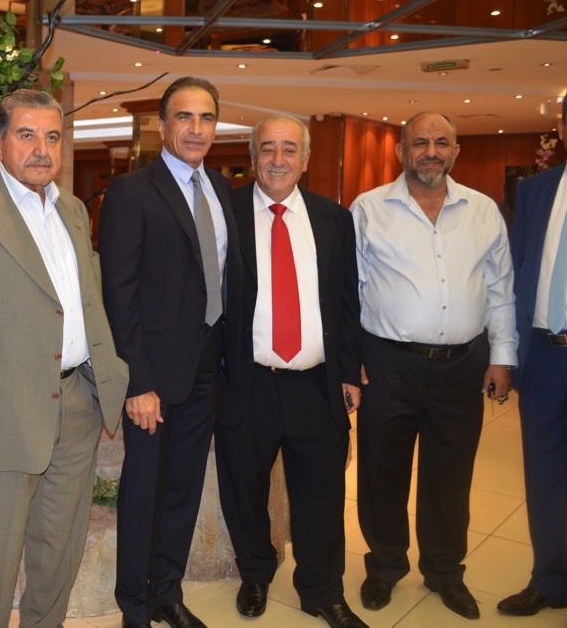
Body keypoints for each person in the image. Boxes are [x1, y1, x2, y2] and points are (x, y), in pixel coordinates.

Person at [0, 88, 128, 628]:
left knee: (58, 554)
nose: (42, 149)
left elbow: (83, 302)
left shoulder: (73, 210)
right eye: (27, 135)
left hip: (77, 405)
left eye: (52, 137)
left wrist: (108, 379)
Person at [352, 112, 517, 620]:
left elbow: (500, 290)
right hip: (388, 364)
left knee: (451, 474)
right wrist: (352, 361)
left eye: (441, 142)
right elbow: (349, 289)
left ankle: (445, 571)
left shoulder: (483, 211)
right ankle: (384, 566)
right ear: (401, 151)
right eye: (419, 142)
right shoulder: (368, 209)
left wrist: (502, 357)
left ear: (455, 150)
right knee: (382, 471)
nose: (430, 151)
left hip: (462, 367)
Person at [99, 76, 241, 628]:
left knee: (184, 487)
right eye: (184, 116)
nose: (196, 128)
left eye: (206, 118)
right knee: (145, 490)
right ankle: (134, 603)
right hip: (154, 374)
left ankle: (167, 592)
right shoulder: (132, 191)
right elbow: (119, 292)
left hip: (208, 365)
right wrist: (138, 381)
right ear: (162, 126)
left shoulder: (221, 188)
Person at [215, 115, 366, 628]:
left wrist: (349, 372)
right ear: (252, 156)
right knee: (243, 487)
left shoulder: (333, 218)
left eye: (288, 149)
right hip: (247, 381)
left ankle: (322, 591)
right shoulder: (226, 213)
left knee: (322, 493)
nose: (277, 160)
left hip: (316, 383)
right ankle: (256, 572)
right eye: (267, 149)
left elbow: (347, 301)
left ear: (305, 158)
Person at [499, 100, 567, 617]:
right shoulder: (535, 190)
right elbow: (516, 274)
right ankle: (550, 580)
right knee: (545, 476)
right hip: (544, 356)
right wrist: (508, 353)